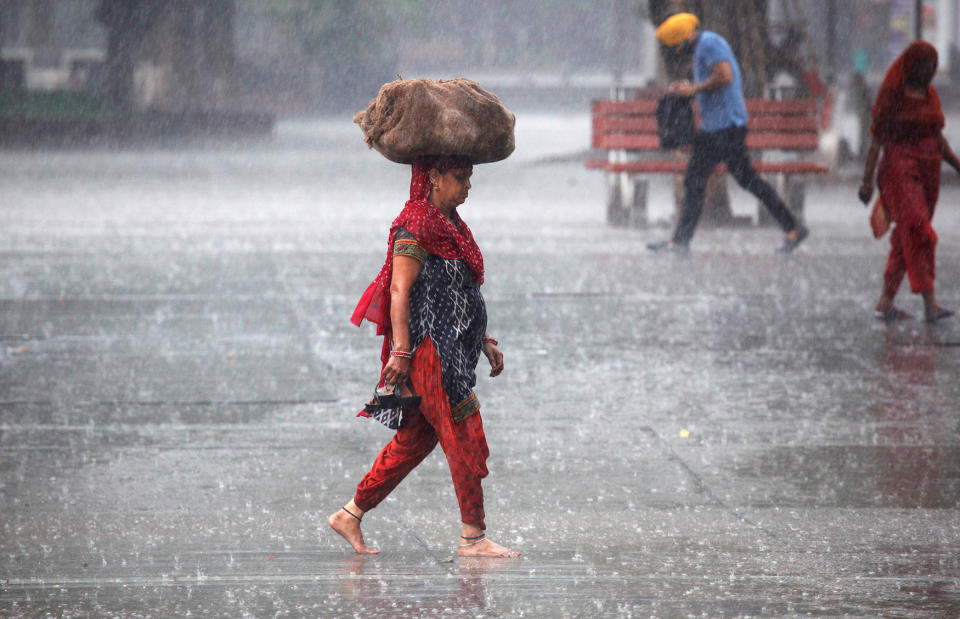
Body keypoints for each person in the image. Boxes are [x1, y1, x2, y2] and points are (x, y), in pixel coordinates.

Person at [328, 154, 520, 558]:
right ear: (434, 178)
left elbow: (458, 293)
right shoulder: (414, 224)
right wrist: (400, 351)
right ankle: (472, 537)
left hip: (456, 351)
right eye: (460, 177)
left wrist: (482, 339)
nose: (468, 185)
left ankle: (351, 513)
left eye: (470, 177)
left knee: (413, 442)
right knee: (463, 436)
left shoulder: (452, 225)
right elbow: (399, 291)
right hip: (433, 355)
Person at [647, 13, 809, 254]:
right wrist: (687, 89)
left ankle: (793, 227)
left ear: (685, 37)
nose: (679, 50)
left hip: (726, 128)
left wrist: (692, 88)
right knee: (696, 181)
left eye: (679, 44)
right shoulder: (705, 45)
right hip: (714, 128)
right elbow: (713, 78)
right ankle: (679, 241)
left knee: (745, 181)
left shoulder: (709, 44)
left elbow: (725, 76)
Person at [859, 41, 958, 322]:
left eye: (933, 67)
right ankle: (929, 301)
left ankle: (886, 300)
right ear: (911, 66)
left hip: (929, 171)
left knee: (906, 237)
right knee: (918, 229)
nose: (929, 72)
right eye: (924, 66)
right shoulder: (892, 95)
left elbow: (938, 139)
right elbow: (876, 140)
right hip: (899, 167)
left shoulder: (931, 96)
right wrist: (866, 181)